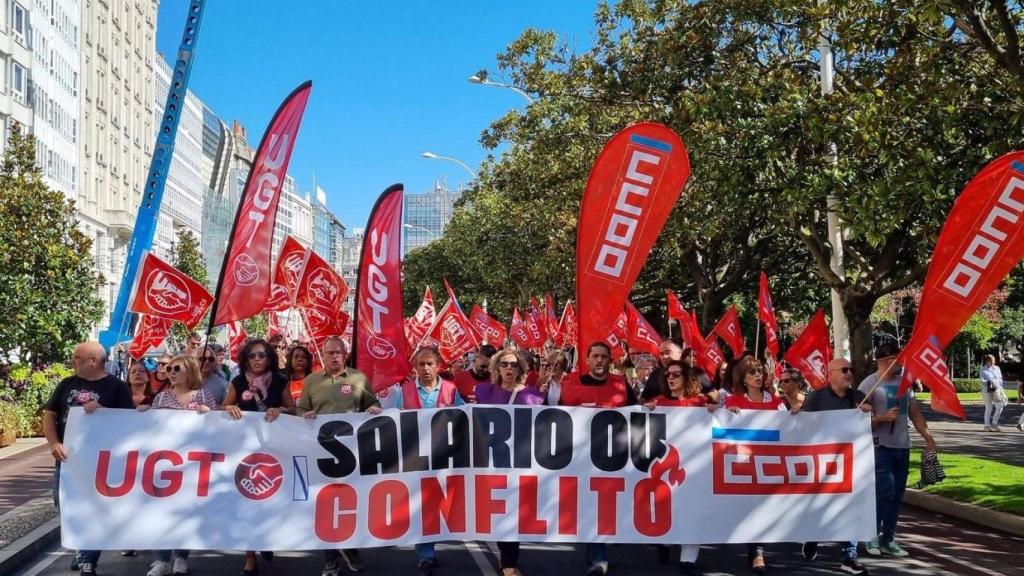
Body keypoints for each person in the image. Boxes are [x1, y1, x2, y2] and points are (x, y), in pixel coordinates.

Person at [41, 342, 133, 576]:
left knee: (93, 510)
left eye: (77, 357)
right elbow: (49, 415)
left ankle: (87, 560)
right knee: (66, 505)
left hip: (101, 463)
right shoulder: (66, 384)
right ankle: (83, 549)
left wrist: (104, 411)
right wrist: (54, 443)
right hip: (68, 461)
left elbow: (129, 424)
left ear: (93, 360)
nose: (73, 361)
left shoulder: (117, 387)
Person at [298, 337, 382, 576]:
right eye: (330, 353)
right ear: (322, 356)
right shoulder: (311, 381)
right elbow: (301, 409)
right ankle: (331, 558)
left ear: (345, 355)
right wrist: (306, 414)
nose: (334, 356)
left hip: (353, 454)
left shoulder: (358, 378)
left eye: (338, 353)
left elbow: (372, 403)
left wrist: (374, 408)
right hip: (322, 453)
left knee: (352, 502)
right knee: (325, 505)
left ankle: (351, 547)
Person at [559, 342, 636, 575]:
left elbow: (638, 415)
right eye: (595, 356)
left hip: (616, 459)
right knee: (593, 506)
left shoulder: (621, 385)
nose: (599, 360)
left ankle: (597, 548)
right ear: (587, 359)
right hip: (582, 460)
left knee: (610, 507)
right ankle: (598, 555)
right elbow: (558, 419)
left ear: (609, 360)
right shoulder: (571, 386)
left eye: (603, 356)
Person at [138, 355, 216, 576]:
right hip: (165, 463)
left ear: (190, 370)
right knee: (162, 511)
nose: (170, 372)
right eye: (169, 368)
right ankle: (161, 559)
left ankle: (181, 556)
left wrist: (209, 414)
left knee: (186, 511)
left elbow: (217, 429)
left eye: (176, 368)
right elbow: (151, 429)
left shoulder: (204, 395)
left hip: (193, 464)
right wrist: (145, 413)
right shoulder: (161, 398)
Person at [858, 342, 937, 558]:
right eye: (896, 359)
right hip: (879, 446)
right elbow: (857, 420)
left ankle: (888, 539)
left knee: (896, 495)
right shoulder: (869, 385)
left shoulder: (905, 384)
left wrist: (927, 435)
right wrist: (880, 419)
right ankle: (871, 534)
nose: (901, 362)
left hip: (902, 445)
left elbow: (914, 412)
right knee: (886, 491)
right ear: (884, 361)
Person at [222, 339, 294, 575]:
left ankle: (266, 539)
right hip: (245, 450)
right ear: (245, 359)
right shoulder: (238, 381)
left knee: (271, 498)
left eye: (261, 355)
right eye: (252, 355)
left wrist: (280, 410)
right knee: (247, 500)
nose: (256, 359)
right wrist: (229, 408)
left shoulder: (281, 381)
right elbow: (223, 407)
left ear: (269, 358)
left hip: (274, 450)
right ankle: (250, 555)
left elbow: (293, 410)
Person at [393, 348, 464, 575]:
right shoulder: (403, 391)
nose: (425, 368)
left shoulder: (451, 390)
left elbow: (464, 418)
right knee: (421, 505)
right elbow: (393, 421)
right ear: (415, 367)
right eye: (421, 364)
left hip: (444, 456)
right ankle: (426, 554)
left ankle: (429, 548)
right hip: (415, 458)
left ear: (438, 365)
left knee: (439, 504)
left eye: (429, 363)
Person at [799, 358, 872, 575]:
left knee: (851, 506)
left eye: (851, 369)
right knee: (823, 507)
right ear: (830, 374)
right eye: (844, 370)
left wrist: (869, 414)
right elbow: (800, 427)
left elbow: (868, 427)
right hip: (822, 463)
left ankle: (849, 556)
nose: (849, 373)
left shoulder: (858, 397)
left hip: (850, 464)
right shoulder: (817, 398)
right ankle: (814, 534)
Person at [474, 348, 542, 575]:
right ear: (496, 368)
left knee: (513, 513)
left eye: (513, 364)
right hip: (492, 463)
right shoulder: (484, 392)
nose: (509, 368)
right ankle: (508, 560)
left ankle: (509, 564)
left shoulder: (533, 395)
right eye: (504, 364)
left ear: (520, 368)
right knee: (498, 513)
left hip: (520, 463)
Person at [723, 356, 784, 575]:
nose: (758, 375)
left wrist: (795, 417)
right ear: (743, 378)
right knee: (750, 507)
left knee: (762, 507)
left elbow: (791, 431)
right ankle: (755, 549)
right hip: (743, 464)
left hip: (770, 463)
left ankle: (758, 550)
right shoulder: (733, 401)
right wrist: (726, 415)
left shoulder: (777, 402)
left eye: (759, 370)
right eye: (752, 372)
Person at [981, 354, 1005, 432]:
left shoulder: (997, 368)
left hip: (997, 390)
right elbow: (982, 381)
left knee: (1000, 406)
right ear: (987, 361)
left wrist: (998, 384)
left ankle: (994, 424)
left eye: (994, 361)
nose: (993, 363)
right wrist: (990, 381)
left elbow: (1000, 379)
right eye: (991, 361)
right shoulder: (982, 369)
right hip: (987, 390)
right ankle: (986, 426)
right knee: (989, 407)